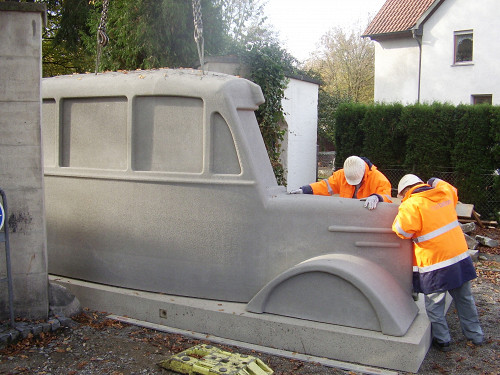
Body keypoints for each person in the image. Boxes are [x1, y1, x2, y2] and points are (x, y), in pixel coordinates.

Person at [392, 174, 484, 352]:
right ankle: (476, 335)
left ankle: (443, 340)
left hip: (435, 263)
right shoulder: (443, 192)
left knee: (435, 304)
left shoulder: (411, 204)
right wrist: (433, 179)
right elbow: (451, 189)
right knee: (464, 298)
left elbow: (402, 230)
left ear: (405, 192)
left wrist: (401, 209)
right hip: (459, 257)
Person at [290, 156, 392, 210]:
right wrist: (305, 190)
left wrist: (378, 197)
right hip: (347, 217)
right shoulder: (343, 175)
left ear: (363, 173)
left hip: (367, 221)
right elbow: (325, 186)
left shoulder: (378, 178)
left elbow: (387, 196)